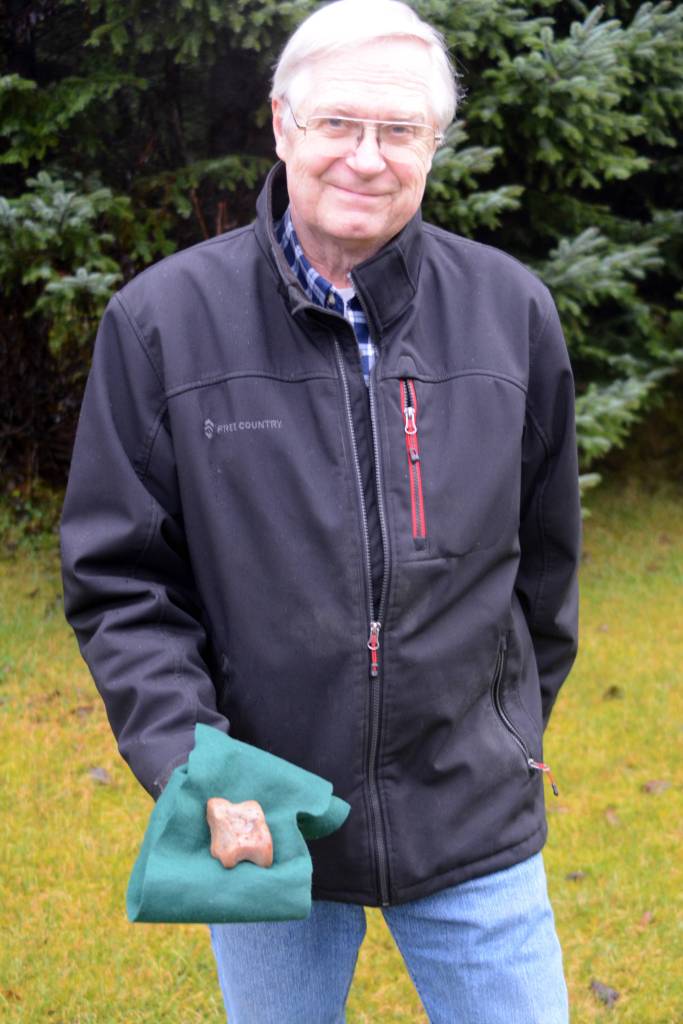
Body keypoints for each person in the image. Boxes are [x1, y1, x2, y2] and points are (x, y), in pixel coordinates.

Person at [61, 1, 581, 1021]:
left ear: (432, 145)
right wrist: (200, 767)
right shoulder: (163, 323)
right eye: (338, 122)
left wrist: (507, 728)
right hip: (256, 808)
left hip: (469, 813)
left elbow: (544, 561)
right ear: (281, 124)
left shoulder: (509, 310)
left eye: (398, 130)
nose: (366, 158)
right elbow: (121, 583)